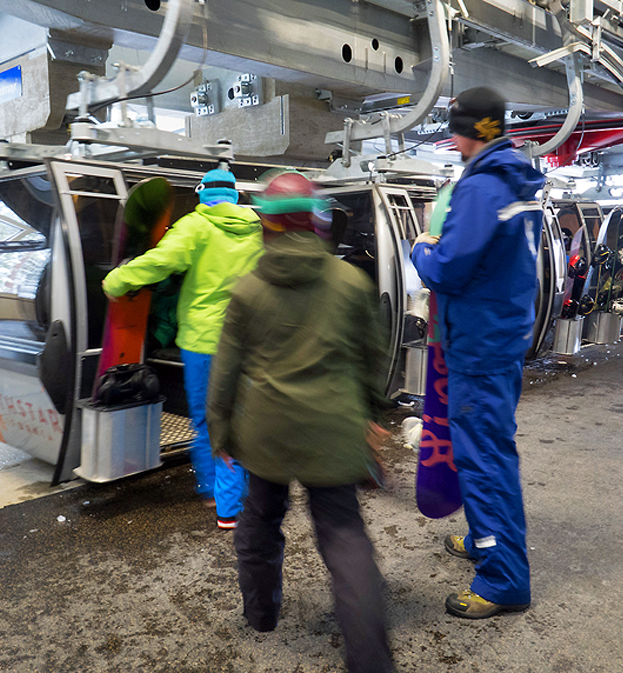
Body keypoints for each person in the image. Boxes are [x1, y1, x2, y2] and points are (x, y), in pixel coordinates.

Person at [206, 171, 393, 673]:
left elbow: (226, 370)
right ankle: (372, 661)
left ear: (266, 226)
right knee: (344, 538)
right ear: (315, 221)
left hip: (265, 433)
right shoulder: (351, 282)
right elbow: (371, 358)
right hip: (332, 432)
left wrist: (219, 430)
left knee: (260, 522)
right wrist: (372, 414)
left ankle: (261, 613)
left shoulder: (247, 290)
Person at [411, 87, 544, 619]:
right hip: (502, 335)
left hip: (480, 345)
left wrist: (421, 245)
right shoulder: (515, 177)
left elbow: (448, 268)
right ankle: (483, 536)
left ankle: (504, 578)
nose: (453, 139)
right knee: (490, 449)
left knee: (484, 460)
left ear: (470, 130)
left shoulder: (481, 187)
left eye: (456, 129)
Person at [103, 168, 263, 529]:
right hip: (248, 342)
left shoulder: (195, 226)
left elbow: (161, 261)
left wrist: (117, 279)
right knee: (243, 419)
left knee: (208, 420)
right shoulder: (256, 228)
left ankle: (222, 502)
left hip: (204, 342)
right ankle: (241, 492)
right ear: (235, 195)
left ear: (203, 193)